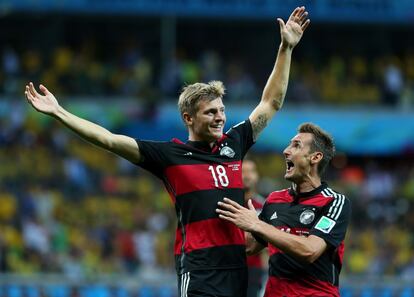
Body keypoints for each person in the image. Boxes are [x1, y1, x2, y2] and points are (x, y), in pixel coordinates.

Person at [24, 7, 310, 297]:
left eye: (221, 111)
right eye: (210, 112)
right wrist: (60, 112)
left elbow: (270, 103)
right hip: (199, 270)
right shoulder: (169, 156)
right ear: (189, 118)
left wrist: (286, 48)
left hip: (237, 268)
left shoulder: (234, 143)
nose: (219, 118)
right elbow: (109, 139)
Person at [217, 123, 351, 297]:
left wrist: (257, 224)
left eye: (296, 146)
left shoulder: (334, 202)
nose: (286, 151)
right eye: (289, 144)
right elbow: (250, 246)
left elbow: (309, 250)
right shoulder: (274, 200)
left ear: (315, 157)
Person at [242, 159, 267, 297]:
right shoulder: (228, 204)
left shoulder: (265, 206)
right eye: (243, 172)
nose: (247, 175)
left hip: (254, 270)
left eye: (250, 171)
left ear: (256, 176)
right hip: (229, 267)